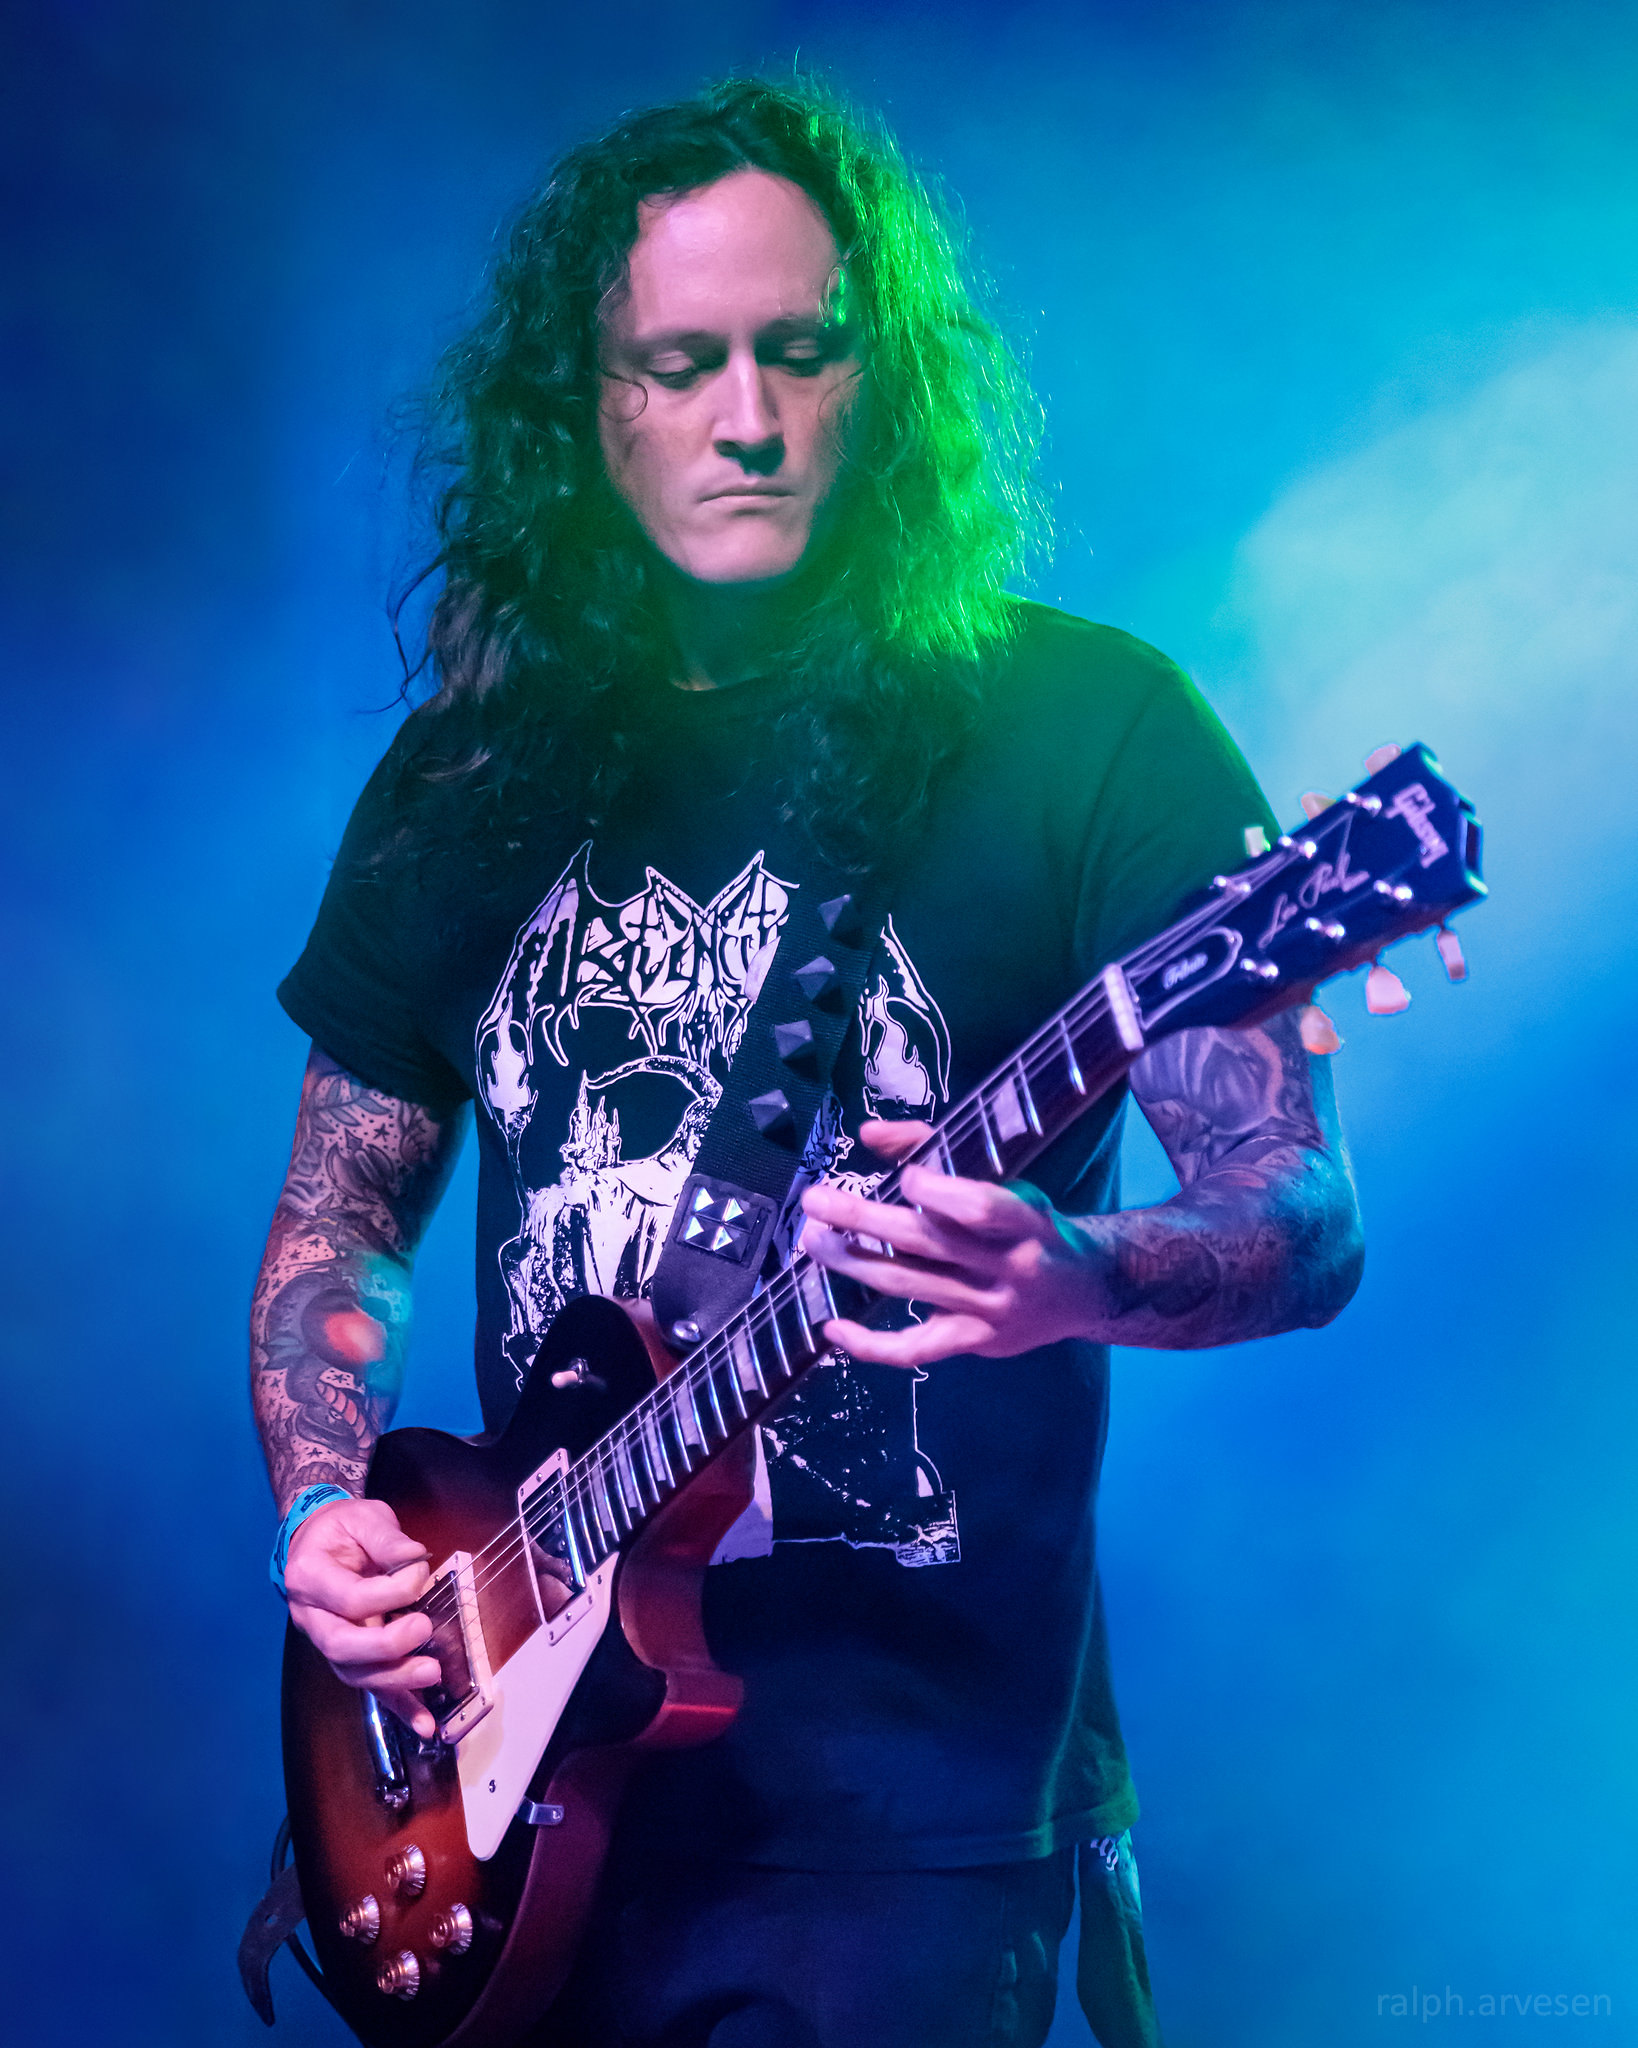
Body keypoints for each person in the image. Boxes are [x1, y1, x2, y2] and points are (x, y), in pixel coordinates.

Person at [253, 77, 1364, 2048]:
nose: (748, 418)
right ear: (587, 406)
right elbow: (339, 1228)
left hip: (912, 1840)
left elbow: (1300, 1206)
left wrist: (1081, 1272)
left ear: (887, 378)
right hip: (515, 1789)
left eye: (802, 352)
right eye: (678, 365)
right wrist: (324, 1507)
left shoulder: (1086, 726)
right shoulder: (465, 779)